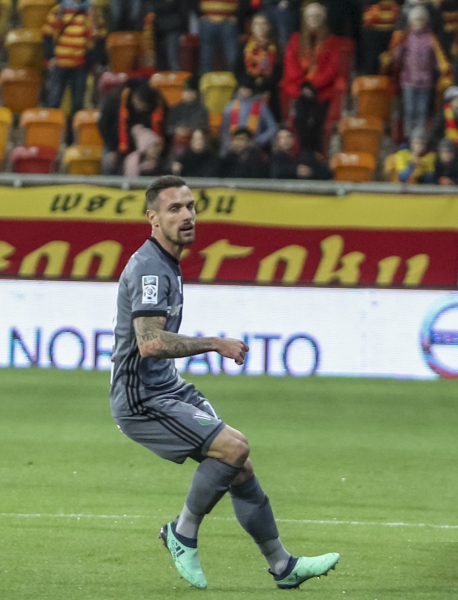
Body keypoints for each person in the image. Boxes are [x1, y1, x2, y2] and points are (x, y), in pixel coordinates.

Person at [110, 175, 339, 589]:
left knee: (238, 465)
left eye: (190, 207)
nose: (187, 215)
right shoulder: (150, 268)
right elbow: (149, 343)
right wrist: (214, 343)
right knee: (234, 447)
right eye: (174, 209)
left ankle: (282, 566)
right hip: (141, 398)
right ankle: (182, 532)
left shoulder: (167, 262)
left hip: (168, 387)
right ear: (153, 218)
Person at [382, 4, 451, 140]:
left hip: (425, 82)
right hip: (408, 81)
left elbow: (438, 59)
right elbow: (397, 57)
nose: (418, 23)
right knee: (409, 111)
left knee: (422, 111)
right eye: (415, 20)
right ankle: (409, 138)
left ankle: (420, 139)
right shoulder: (405, 38)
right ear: (410, 22)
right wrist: (393, 56)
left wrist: (445, 71)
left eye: (421, 20)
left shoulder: (431, 39)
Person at [281, 2, 341, 152]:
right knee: (301, 124)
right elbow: (290, 63)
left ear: (323, 18)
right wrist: (303, 85)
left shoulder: (331, 41)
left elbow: (332, 68)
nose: (313, 19)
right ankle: (303, 154)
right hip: (300, 89)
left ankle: (316, 155)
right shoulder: (295, 39)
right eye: (310, 16)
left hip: (322, 90)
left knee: (318, 125)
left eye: (316, 16)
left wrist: (314, 85)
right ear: (305, 19)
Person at [42, 0, 107, 116]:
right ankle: (51, 127)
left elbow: (100, 38)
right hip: (59, 64)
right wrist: (51, 57)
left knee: (78, 104)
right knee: (53, 101)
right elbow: (47, 35)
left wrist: (92, 61)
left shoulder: (94, 12)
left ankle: (75, 128)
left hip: (81, 65)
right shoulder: (58, 10)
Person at [220, 82, 278, 152]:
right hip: (233, 148)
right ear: (239, 89)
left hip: (255, 149)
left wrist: (258, 140)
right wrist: (229, 144)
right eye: (244, 88)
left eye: (249, 88)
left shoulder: (261, 106)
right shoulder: (230, 106)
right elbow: (224, 129)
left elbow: (273, 128)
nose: (246, 90)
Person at [167, 77, 210, 158]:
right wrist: (177, 130)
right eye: (186, 91)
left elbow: (204, 128)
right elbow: (169, 128)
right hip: (178, 141)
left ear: (196, 93)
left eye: (191, 92)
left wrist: (189, 130)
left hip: (195, 141)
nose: (188, 94)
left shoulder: (202, 110)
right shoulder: (175, 108)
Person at [432, 85, 458, 154]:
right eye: (457, 99)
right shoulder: (442, 115)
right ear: (450, 101)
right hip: (447, 151)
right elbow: (435, 134)